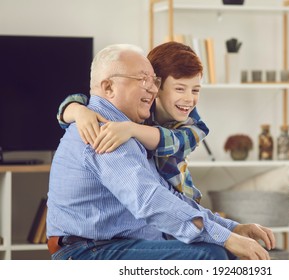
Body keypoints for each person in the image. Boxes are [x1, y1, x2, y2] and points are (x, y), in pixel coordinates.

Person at [47, 43, 276, 260]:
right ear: (108, 87)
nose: (151, 88)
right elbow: (149, 199)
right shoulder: (103, 132)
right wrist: (226, 238)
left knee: (218, 249)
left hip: (115, 244)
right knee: (210, 256)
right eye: (141, 79)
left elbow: (168, 194)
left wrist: (232, 229)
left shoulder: (132, 130)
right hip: (89, 251)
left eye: (153, 80)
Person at [56, 42, 209, 203]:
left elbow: (172, 141)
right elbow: (82, 100)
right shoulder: (138, 109)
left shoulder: (194, 124)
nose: (189, 99)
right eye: (179, 89)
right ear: (157, 86)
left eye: (195, 90)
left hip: (181, 201)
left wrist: (131, 129)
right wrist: (79, 111)